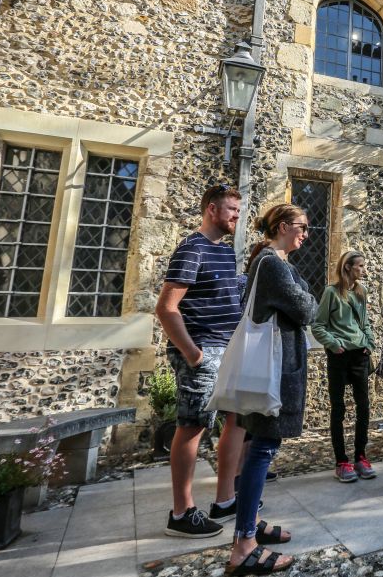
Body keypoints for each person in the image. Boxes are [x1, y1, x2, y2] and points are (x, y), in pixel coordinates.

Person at [227, 204, 318, 575]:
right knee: (262, 447)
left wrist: (305, 296)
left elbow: (306, 300)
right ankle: (244, 543)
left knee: (256, 445)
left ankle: (252, 521)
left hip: (275, 366)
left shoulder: (274, 263)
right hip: (274, 370)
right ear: (283, 226)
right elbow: (309, 308)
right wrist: (306, 297)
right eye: (302, 227)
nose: (306, 234)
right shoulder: (274, 265)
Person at [155, 184, 247, 539]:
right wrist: (194, 354)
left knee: (236, 420)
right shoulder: (191, 249)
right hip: (202, 352)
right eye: (231, 211)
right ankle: (181, 511)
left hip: (228, 350)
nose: (237, 217)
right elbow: (166, 308)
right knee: (193, 425)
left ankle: (225, 499)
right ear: (211, 209)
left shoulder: (225, 253)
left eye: (238, 211)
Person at [312, 250, 377, 483]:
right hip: (338, 356)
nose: (363, 270)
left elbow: (365, 323)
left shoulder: (361, 292)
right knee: (338, 409)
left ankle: (361, 456)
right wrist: (333, 343)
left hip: (360, 355)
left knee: (364, 407)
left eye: (364, 265)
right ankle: (341, 461)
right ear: (347, 267)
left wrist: (370, 343)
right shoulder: (331, 292)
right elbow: (318, 325)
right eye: (359, 266)